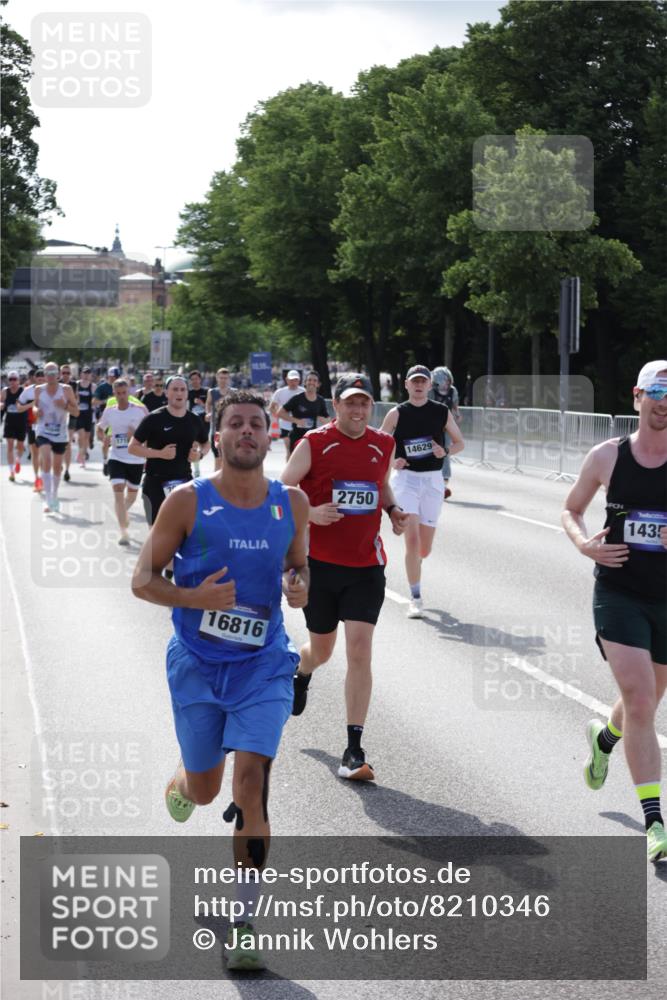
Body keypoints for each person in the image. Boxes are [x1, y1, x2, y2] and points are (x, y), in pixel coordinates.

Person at [131, 390, 309, 971]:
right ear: (218, 436)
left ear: (270, 435)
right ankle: (185, 782)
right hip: (198, 665)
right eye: (235, 423)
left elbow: (297, 564)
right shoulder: (186, 501)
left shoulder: (292, 503)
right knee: (207, 791)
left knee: (251, 782)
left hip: (263, 664)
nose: (247, 432)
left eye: (257, 424)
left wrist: (298, 584)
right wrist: (193, 597)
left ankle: (245, 922)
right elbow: (142, 580)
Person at [561, 359, 667, 863]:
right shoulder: (608, 455)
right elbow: (571, 507)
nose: (663, 404)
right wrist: (584, 545)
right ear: (637, 396)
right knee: (642, 700)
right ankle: (656, 823)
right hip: (619, 591)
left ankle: (604, 740)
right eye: (656, 393)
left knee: (645, 702)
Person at [281, 372, 408, 782]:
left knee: (359, 650)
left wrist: (393, 511)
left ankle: (354, 749)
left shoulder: (383, 444)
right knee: (322, 651)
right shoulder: (314, 442)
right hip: (320, 565)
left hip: (366, 567)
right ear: (335, 406)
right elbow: (281, 488)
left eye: (364, 403)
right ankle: (301, 672)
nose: (357, 410)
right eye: (349, 402)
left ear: (371, 407)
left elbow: (381, 484)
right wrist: (310, 513)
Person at [382, 365, 464, 617]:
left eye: (423, 382)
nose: (418, 385)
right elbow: (378, 445)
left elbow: (460, 442)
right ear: (406, 384)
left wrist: (445, 451)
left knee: (424, 549)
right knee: (413, 540)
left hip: (432, 481)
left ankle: (416, 564)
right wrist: (393, 459)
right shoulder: (396, 413)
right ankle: (415, 597)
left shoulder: (440, 412)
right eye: (414, 381)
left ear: (429, 385)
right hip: (406, 481)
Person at [128, 374, 210, 530]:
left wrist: (199, 454)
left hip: (184, 482)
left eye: (182, 389)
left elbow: (206, 443)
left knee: (184, 532)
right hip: (155, 483)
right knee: (156, 533)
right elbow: (132, 447)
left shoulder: (194, 420)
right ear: (166, 392)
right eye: (174, 389)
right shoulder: (154, 418)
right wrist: (160, 453)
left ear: (187, 393)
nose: (179, 393)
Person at [97, 379, 147, 544]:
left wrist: (136, 436)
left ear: (129, 393)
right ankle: (124, 532)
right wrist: (103, 436)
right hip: (116, 457)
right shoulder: (110, 411)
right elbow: (100, 428)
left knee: (131, 497)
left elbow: (152, 430)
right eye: (118, 394)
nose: (121, 397)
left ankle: (122, 513)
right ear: (114, 394)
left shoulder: (139, 411)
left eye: (124, 393)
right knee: (118, 491)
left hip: (136, 459)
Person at [32, 362, 79, 512]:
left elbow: (76, 412)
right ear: (44, 375)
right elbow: (35, 406)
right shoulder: (39, 390)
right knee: (46, 458)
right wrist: (35, 411)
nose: (51, 376)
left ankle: (54, 495)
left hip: (60, 433)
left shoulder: (66, 390)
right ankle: (48, 499)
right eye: (48, 373)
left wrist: (64, 405)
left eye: (53, 373)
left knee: (57, 467)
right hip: (43, 430)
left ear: (58, 375)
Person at [276, 370, 329, 452]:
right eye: (309, 380)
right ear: (305, 382)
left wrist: (322, 420)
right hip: (297, 437)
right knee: (295, 463)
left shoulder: (320, 400)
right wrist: (296, 420)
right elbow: (280, 413)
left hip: (311, 438)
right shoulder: (297, 398)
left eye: (315, 380)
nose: (312, 382)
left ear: (318, 384)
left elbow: (327, 420)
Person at [429, 366, 460, 499]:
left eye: (448, 380)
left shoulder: (453, 391)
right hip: (430, 426)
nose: (446, 383)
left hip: (446, 426)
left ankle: (444, 483)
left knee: (445, 453)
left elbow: (455, 407)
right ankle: (429, 481)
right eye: (444, 381)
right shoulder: (430, 391)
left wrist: (457, 416)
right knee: (429, 452)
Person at [17, 369, 45, 491]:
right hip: (32, 425)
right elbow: (18, 407)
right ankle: (37, 479)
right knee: (35, 453)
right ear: (34, 377)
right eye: (38, 376)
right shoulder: (28, 391)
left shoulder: (51, 390)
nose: (40, 377)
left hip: (47, 426)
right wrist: (30, 405)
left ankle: (44, 478)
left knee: (45, 453)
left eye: (42, 375)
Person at [269, 370, 304, 459]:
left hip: (300, 425)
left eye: (295, 380)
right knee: (289, 450)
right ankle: (289, 471)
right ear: (286, 380)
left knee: (299, 450)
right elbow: (272, 407)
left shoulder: (303, 392)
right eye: (291, 380)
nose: (293, 382)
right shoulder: (280, 392)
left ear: (299, 380)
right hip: (285, 425)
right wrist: (278, 415)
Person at [206, 368, 234, 472]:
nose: (223, 380)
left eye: (225, 378)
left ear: (229, 379)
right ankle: (216, 482)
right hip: (216, 429)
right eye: (221, 378)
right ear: (217, 378)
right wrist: (208, 413)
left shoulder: (233, 392)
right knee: (218, 457)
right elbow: (208, 404)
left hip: (230, 429)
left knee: (228, 458)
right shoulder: (212, 392)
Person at [1, 371, 28, 481]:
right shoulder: (4, 391)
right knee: (10, 446)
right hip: (9, 422)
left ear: (18, 380)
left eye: (14, 379)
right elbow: (1, 403)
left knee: (20, 446)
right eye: (10, 379)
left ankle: (18, 460)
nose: (12, 381)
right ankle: (11, 471)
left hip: (21, 422)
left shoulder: (23, 391)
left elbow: (29, 404)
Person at [93, 368, 117, 475]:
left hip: (120, 418)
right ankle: (105, 461)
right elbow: (94, 401)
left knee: (119, 443)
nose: (113, 379)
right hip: (106, 418)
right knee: (106, 443)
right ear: (108, 376)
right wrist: (104, 401)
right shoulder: (102, 387)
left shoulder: (121, 386)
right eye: (111, 377)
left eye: (115, 377)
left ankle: (115, 463)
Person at [188, 370, 208, 476]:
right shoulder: (188, 393)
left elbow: (210, 408)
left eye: (196, 379)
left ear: (200, 379)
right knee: (194, 445)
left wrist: (202, 403)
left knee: (203, 445)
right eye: (192, 379)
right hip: (192, 423)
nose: (194, 381)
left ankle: (197, 465)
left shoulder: (206, 391)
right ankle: (196, 470)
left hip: (205, 423)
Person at [59, 363, 77, 482]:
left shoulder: (74, 385)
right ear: (60, 374)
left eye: (68, 373)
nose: (65, 375)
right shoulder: (56, 384)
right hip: (58, 417)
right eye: (63, 373)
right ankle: (58, 461)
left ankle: (67, 470)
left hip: (70, 415)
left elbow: (76, 400)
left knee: (68, 443)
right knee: (57, 443)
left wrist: (67, 405)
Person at [75, 367, 96, 466]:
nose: (86, 375)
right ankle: (82, 457)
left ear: (91, 375)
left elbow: (96, 400)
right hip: (79, 414)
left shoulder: (93, 386)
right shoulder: (77, 385)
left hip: (89, 414)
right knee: (81, 436)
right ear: (81, 374)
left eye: (88, 373)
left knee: (86, 438)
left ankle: (82, 454)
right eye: (85, 373)